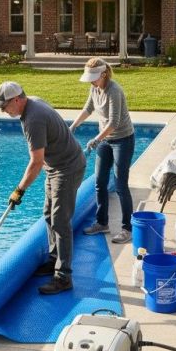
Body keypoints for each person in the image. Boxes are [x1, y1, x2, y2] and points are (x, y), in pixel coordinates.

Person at [0, 81, 86, 295]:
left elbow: (35, 162)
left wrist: (19, 191)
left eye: (4, 106)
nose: (3, 111)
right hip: (55, 167)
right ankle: (54, 260)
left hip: (67, 168)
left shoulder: (34, 118)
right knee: (48, 215)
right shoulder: (31, 103)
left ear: (16, 100)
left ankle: (63, 277)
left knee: (61, 221)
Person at [69, 58, 135, 244]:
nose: (91, 81)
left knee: (120, 184)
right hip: (105, 140)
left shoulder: (114, 91)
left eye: (93, 77)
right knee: (99, 181)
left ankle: (127, 229)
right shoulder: (94, 88)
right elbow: (88, 108)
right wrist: (73, 126)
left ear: (103, 74)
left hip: (123, 140)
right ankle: (102, 223)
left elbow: (114, 122)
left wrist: (97, 139)